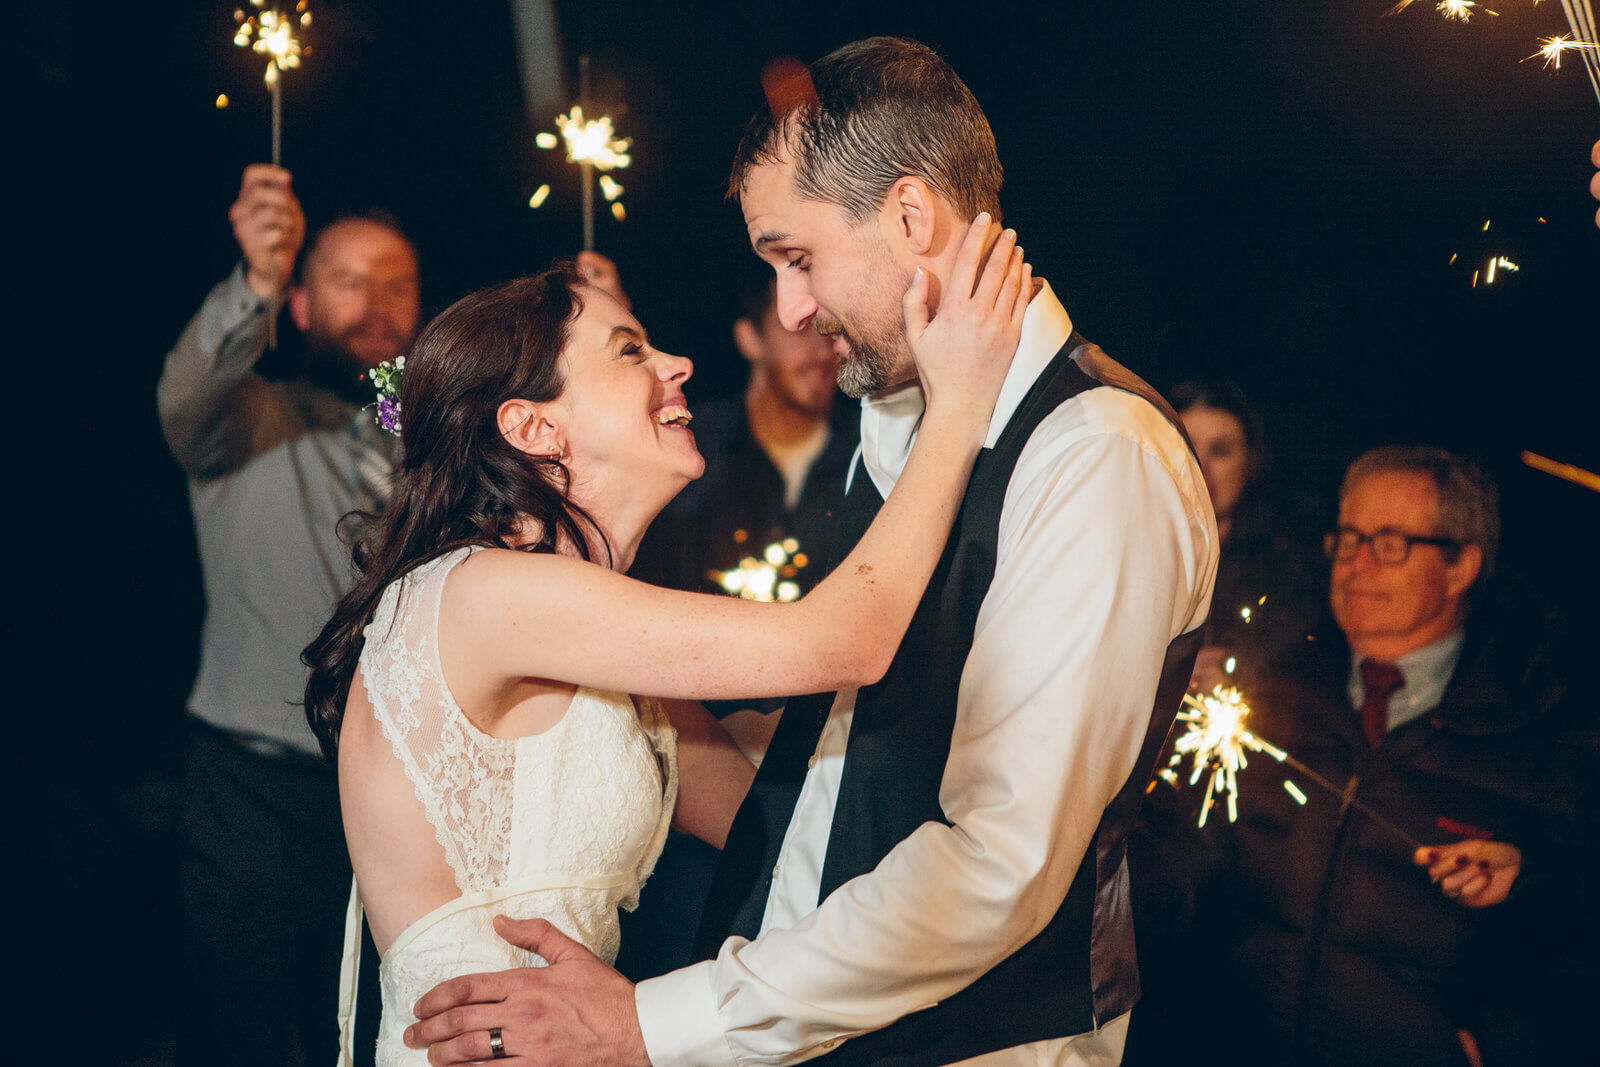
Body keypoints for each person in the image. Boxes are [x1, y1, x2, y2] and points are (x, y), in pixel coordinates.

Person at [406, 36, 1218, 1066]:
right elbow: (833, 768)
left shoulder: (1096, 454)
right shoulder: (898, 423)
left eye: (796, 257)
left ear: (911, 218)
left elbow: (998, 864)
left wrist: (658, 1020)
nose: (789, 309)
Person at [302, 221, 1030, 1065]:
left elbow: (786, 817)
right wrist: (961, 400)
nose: (677, 364)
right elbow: (846, 639)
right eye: (629, 350)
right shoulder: (484, 592)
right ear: (532, 427)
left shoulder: (603, 656)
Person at [1190, 445, 1592, 1065]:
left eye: (1390, 543)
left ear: (1461, 566)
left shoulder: (1545, 738)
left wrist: (1509, 1045)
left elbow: (1576, 940)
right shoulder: (1276, 696)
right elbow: (1183, 883)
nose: (1356, 565)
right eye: (1347, 538)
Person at [157, 163, 422, 1066]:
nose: (377, 303)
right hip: (254, 796)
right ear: (304, 306)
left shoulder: (426, 445)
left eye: (398, 284)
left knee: (373, 1033)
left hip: (397, 798)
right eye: (348, 281)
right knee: (240, 1040)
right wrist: (255, 286)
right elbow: (186, 394)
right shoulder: (251, 422)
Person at [620, 264, 858, 980]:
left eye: (828, 333)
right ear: (749, 337)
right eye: (797, 334)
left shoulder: (869, 458)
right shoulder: (684, 453)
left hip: (816, 786)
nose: (818, 351)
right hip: (682, 795)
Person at [1170, 381, 1320, 691]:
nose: (1200, 466)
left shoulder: (1289, 566)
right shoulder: (1125, 555)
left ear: (1250, 462)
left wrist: (1240, 673)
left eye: (1220, 451)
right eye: (1185, 447)